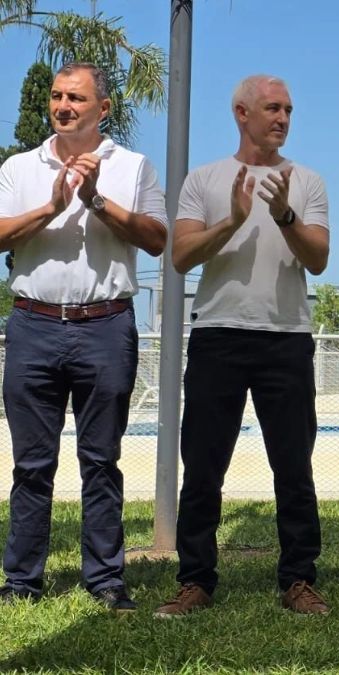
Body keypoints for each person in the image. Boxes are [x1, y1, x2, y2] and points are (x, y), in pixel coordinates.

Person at [154, 75, 331, 617]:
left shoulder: (307, 181)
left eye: (289, 110)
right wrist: (232, 219)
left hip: (286, 339)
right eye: (272, 108)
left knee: (294, 468)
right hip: (218, 337)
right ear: (241, 112)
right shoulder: (204, 180)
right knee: (203, 467)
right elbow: (181, 257)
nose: (282, 118)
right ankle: (196, 580)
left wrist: (284, 216)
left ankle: (299, 579)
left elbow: (319, 259)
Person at [0, 63, 167, 611]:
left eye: (76, 97)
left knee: (100, 460)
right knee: (31, 464)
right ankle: (21, 580)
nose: (64, 105)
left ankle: (105, 579)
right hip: (33, 324)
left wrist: (95, 198)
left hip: (105, 326)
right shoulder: (20, 167)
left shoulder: (134, 166)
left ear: (104, 108)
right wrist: (51, 207)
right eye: (56, 95)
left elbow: (157, 240)